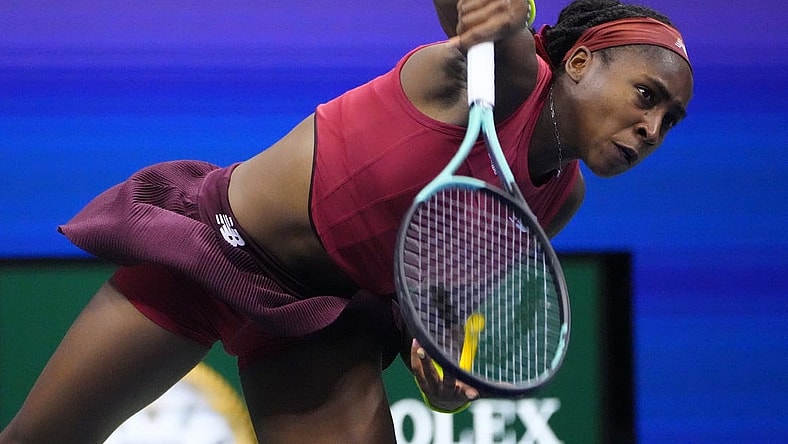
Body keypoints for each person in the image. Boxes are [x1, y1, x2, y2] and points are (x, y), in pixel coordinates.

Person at [0, 0, 693, 442]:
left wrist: (445, 364)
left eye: (669, 119)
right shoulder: (504, 77)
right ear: (576, 62)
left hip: (319, 328)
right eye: (645, 94)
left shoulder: (558, 197)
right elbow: (483, 24)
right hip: (213, 252)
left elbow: (439, 293)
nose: (651, 127)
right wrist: (495, 15)